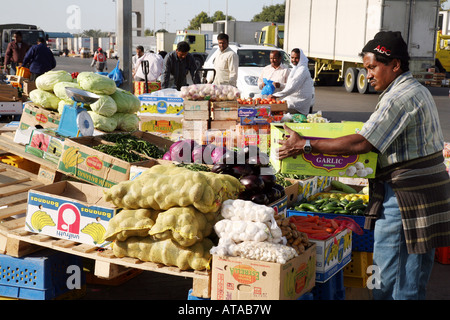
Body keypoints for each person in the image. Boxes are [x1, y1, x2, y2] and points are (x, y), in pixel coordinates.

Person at [277, 31, 450, 300]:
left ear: (394, 65)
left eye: (372, 67)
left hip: (408, 197)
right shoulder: (414, 89)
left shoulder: (399, 97)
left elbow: (362, 144)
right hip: (418, 192)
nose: (368, 75)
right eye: (365, 68)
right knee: (407, 271)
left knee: (394, 275)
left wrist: (306, 144)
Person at [269, 48, 315, 115]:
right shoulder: (295, 69)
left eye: (296, 58)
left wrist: (276, 95)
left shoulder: (302, 70)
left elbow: (292, 87)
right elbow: (290, 85)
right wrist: (281, 85)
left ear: (301, 58)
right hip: (292, 99)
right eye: (292, 57)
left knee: (275, 111)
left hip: (298, 103)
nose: (294, 60)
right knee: (274, 108)